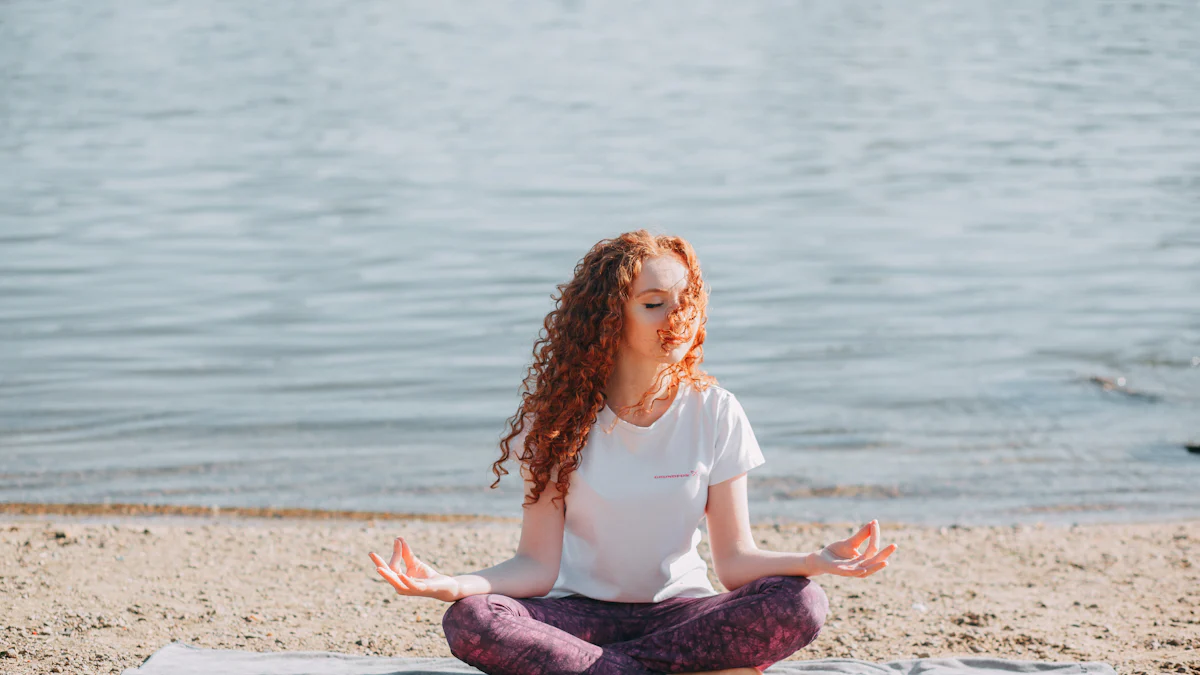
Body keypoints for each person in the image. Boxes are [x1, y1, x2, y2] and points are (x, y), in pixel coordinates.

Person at [368, 230, 898, 675]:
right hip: (574, 616)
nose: (678, 316)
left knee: (802, 601)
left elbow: (734, 563)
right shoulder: (555, 417)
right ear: (607, 317)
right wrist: (453, 584)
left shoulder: (715, 410)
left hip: (681, 616)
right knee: (473, 619)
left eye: (686, 301)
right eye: (654, 304)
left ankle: (607, 669)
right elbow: (536, 566)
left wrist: (813, 561)